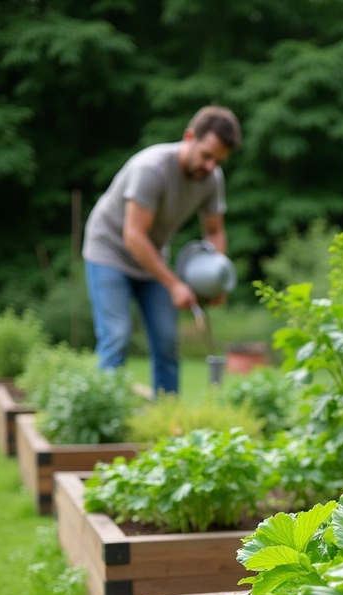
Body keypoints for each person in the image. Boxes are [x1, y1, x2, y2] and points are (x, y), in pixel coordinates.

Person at [82, 105, 241, 394]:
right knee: (116, 336)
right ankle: (104, 417)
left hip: (151, 257)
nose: (209, 167)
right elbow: (133, 236)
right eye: (206, 156)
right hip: (109, 251)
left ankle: (168, 423)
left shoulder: (211, 178)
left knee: (167, 341)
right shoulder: (151, 169)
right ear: (189, 136)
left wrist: (216, 277)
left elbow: (215, 231)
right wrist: (175, 285)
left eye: (217, 161)